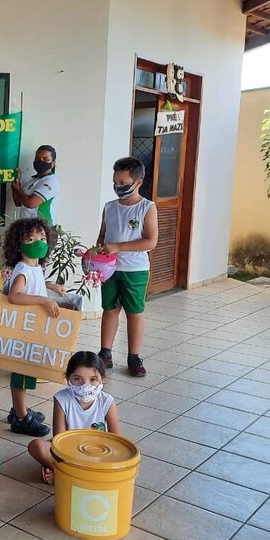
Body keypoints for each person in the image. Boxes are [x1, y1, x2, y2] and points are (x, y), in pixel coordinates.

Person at [2, 217, 67, 437]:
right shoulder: (22, 269)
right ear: (19, 245)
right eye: (31, 238)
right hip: (23, 331)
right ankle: (21, 418)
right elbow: (15, 295)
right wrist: (43, 300)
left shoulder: (35, 267)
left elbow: (34, 283)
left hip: (32, 329)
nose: (38, 242)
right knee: (20, 373)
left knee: (27, 371)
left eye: (41, 237)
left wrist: (51, 287)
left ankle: (17, 410)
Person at [97, 156, 158, 377]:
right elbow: (102, 237)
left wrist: (118, 247)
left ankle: (134, 357)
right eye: (116, 182)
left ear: (138, 182)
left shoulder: (147, 208)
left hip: (135, 270)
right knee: (110, 309)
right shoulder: (110, 207)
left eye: (123, 183)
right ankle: (105, 354)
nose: (118, 187)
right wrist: (95, 258)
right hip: (109, 270)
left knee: (134, 312)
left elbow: (150, 241)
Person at [27, 351, 121, 484]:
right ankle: (77, 476)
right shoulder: (62, 399)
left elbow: (117, 440)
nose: (85, 385)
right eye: (77, 379)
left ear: (103, 379)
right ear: (67, 379)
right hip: (69, 452)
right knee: (36, 446)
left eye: (93, 380)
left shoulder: (107, 401)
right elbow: (60, 439)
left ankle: (65, 475)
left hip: (98, 453)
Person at [11, 145, 60, 223]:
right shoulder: (33, 180)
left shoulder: (50, 181)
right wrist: (16, 185)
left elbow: (31, 204)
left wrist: (18, 190)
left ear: (53, 163)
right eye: (37, 158)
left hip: (42, 229)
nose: (40, 161)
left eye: (45, 159)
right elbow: (18, 203)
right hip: (27, 227)